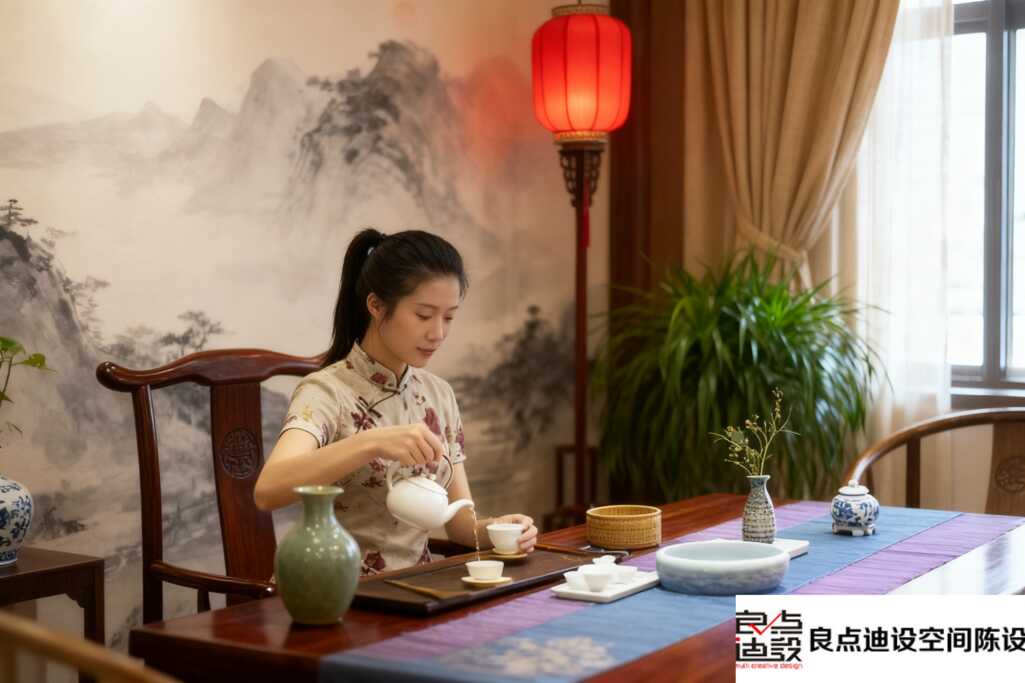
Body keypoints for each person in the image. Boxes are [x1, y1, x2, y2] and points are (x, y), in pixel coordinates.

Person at [254, 228, 538, 575]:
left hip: (414, 589)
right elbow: (268, 491)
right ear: (376, 305)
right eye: (423, 315)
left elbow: (461, 526)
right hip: (333, 590)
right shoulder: (327, 391)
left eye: (449, 316)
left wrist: (499, 529)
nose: (438, 333)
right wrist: (371, 442)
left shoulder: (438, 395)